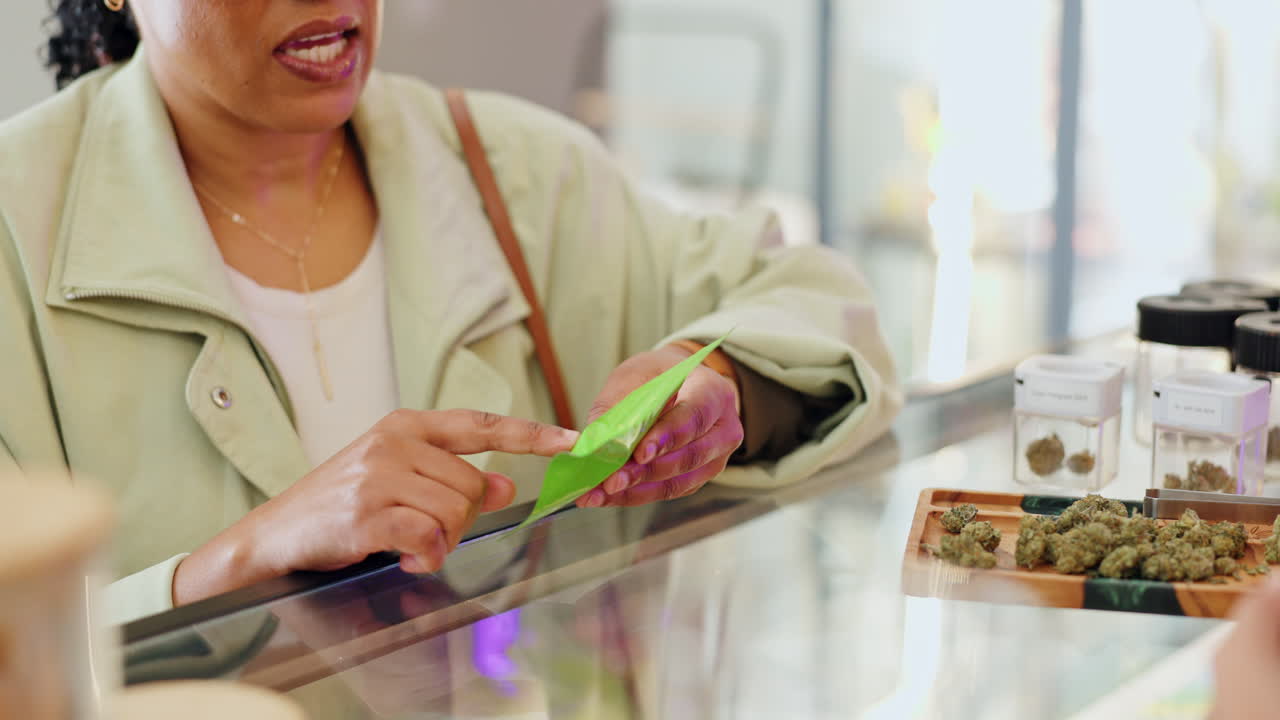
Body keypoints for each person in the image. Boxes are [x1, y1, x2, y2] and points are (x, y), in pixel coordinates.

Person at [0, 0, 900, 625]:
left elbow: (816, 301)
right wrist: (236, 562)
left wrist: (721, 374)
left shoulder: (523, 171)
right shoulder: (16, 224)